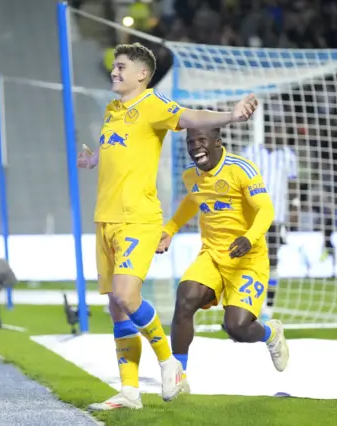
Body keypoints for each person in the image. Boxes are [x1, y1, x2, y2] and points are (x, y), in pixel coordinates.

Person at [77, 42, 258, 411]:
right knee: (116, 306)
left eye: (121, 66)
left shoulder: (153, 105)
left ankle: (169, 364)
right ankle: (129, 392)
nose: (114, 71)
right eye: (114, 66)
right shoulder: (113, 109)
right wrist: (94, 159)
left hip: (137, 218)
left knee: (128, 297)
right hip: (105, 218)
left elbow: (193, 117)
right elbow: (118, 147)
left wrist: (232, 115)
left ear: (142, 74)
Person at [157, 127, 290, 389]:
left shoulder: (242, 168)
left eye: (201, 140)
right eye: (190, 141)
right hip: (212, 255)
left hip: (248, 259)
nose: (195, 146)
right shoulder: (190, 176)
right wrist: (169, 229)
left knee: (237, 328)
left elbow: (266, 209)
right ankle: (178, 377)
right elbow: (192, 201)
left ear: (217, 142)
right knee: (185, 300)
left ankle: (271, 333)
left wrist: (249, 238)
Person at [241, 130, 299, 321]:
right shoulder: (250, 152)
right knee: (250, 262)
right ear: (266, 132)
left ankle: (269, 308)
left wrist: (294, 207)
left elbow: (293, 184)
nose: (279, 134)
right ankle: (248, 305)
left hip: (277, 217)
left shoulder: (288, 156)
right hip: (254, 216)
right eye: (274, 129)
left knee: (273, 262)